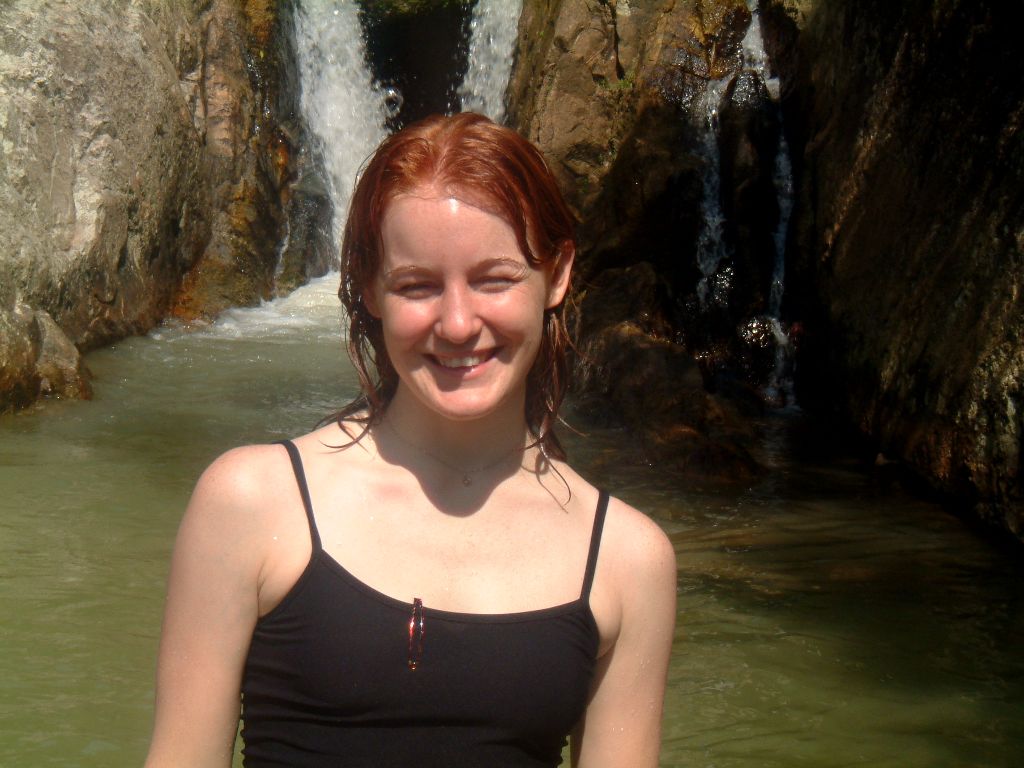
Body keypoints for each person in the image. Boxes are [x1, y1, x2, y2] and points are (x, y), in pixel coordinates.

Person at [144, 112, 677, 768]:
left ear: (558, 273)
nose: (457, 324)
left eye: (495, 279)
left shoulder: (628, 561)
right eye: (417, 286)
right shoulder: (251, 503)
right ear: (370, 289)